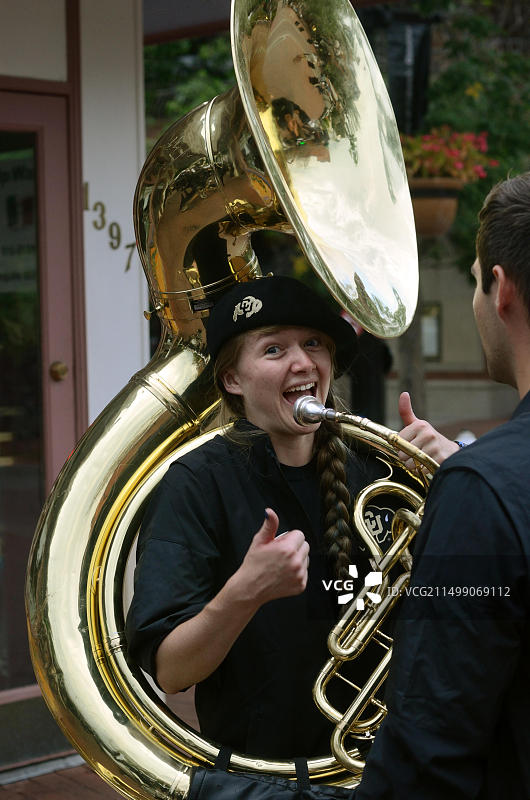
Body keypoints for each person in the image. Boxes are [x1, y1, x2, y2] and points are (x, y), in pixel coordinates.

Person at [126, 275, 396, 763]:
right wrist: (244, 592)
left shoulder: (376, 466)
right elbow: (171, 671)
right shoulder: (196, 482)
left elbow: (449, 595)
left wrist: (451, 485)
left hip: (386, 758)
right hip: (265, 772)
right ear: (233, 380)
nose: (302, 362)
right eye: (273, 350)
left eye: (313, 343)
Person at [355, 171, 530, 799]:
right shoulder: (482, 482)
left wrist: (468, 488)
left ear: (500, 288)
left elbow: (423, 763)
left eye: (475, 280)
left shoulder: (481, 490)